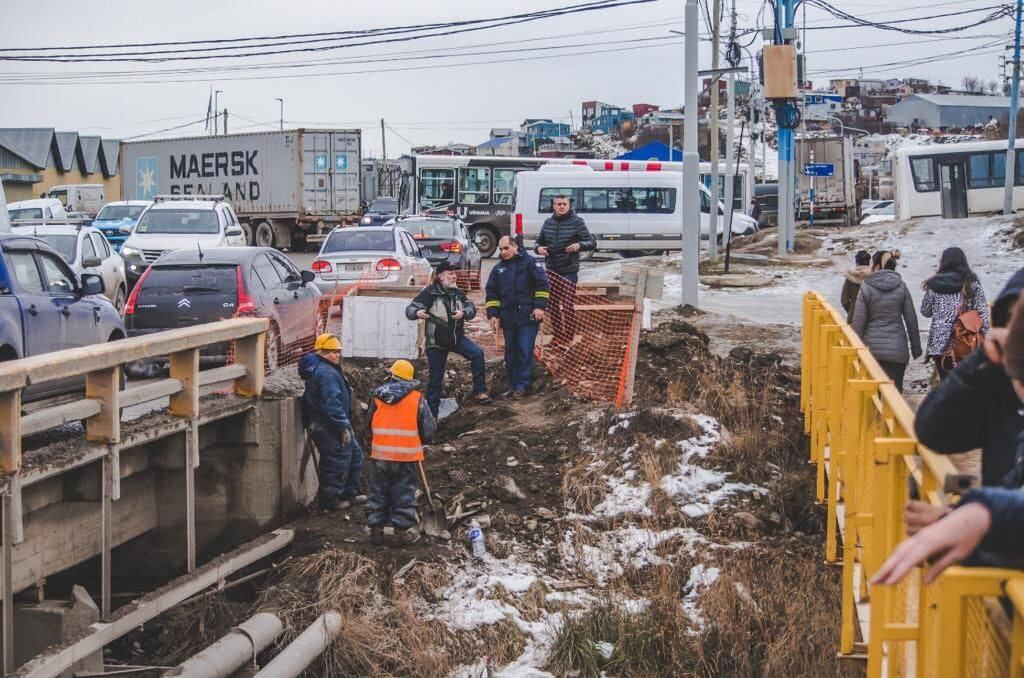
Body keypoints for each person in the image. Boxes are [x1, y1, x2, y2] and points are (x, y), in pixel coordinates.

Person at [878, 295, 1024, 584]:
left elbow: (922, 310)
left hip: (941, 344)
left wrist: (982, 517)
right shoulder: (975, 290)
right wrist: (968, 519)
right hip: (955, 345)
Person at [915, 269, 1024, 487]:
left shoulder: (936, 284)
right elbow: (933, 432)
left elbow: (923, 310)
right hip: (963, 342)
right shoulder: (999, 386)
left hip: (942, 342)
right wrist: (982, 360)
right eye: (1014, 322)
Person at [405, 261, 491, 418]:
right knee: (435, 379)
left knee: (477, 354)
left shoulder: (456, 293)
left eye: (454, 273)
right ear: (441, 276)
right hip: (436, 342)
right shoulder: (430, 293)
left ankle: (480, 391)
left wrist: (464, 313)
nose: (454, 276)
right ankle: (432, 417)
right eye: (451, 273)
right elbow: (410, 309)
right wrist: (417, 312)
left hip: (456, 338)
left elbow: (471, 308)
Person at [366, 360, 436, 545]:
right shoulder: (417, 398)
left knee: (378, 492)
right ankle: (401, 532)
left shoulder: (377, 397)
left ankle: (376, 530)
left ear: (392, 375)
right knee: (404, 492)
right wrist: (423, 440)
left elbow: (367, 425)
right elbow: (428, 429)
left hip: (380, 454)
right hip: (406, 456)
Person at [298, 334, 366, 512]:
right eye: (333, 352)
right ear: (322, 352)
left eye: (338, 352)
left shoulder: (329, 369)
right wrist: (343, 426)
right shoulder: (326, 373)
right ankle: (330, 501)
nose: (337, 355)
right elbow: (331, 403)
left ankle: (348, 493)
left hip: (334, 424)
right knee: (335, 461)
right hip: (328, 426)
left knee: (355, 455)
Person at [486, 235, 550, 398]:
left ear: (515, 247)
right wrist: (493, 314)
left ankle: (522, 386)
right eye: (501, 249)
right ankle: (513, 386)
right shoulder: (499, 269)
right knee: (510, 353)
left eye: (506, 248)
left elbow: (542, 285)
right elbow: (492, 292)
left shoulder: (530, 263)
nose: (503, 252)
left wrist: (539, 307)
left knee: (524, 350)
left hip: (528, 317)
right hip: (508, 318)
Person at [851, 250, 922, 393]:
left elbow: (858, 323)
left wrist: (852, 350)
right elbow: (911, 319)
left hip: (871, 352)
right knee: (893, 399)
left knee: (871, 398)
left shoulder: (866, 287)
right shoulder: (901, 287)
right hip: (897, 352)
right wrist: (916, 349)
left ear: (876, 266)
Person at [921, 247, 990, 379]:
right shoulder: (972, 282)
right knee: (968, 384)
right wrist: (984, 340)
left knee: (946, 383)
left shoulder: (934, 283)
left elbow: (925, 311)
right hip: (967, 341)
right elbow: (983, 313)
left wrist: (941, 311)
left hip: (939, 343)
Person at [535, 194, 596, 345]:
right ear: (554, 206)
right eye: (558, 204)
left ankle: (569, 337)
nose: (561, 206)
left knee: (568, 305)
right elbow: (538, 242)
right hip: (552, 270)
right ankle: (558, 336)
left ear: (569, 206)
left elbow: (591, 242)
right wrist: (539, 249)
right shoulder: (548, 222)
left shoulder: (577, 222)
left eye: (564, 204)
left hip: (569, 269)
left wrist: (578, 245)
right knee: (553, 304)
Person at [840, 250, 872, 324]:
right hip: (872, 318)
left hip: (854, 318)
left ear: (857, 262)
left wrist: (851, 310)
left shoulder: (850, 277)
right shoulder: (875, 276)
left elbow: (844, 301)